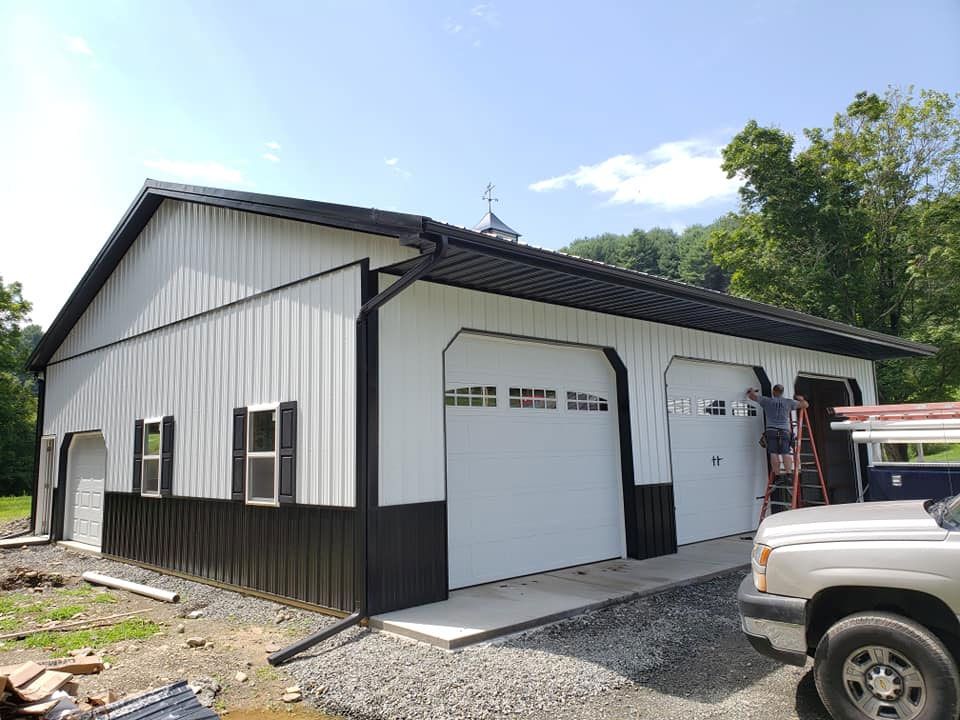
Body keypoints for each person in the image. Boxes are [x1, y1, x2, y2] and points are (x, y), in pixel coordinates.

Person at [746, 384, 809, 476]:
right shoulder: (789, 402)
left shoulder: (766, 401)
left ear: (773, 392)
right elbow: (805, 405)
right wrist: (801, 399)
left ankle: (777, 474)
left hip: (771, 431)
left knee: (773, 453)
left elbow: (751, 396)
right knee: (785, 452)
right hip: (784, 432)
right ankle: (788, 474)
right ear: (782, 392)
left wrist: (752, 390)